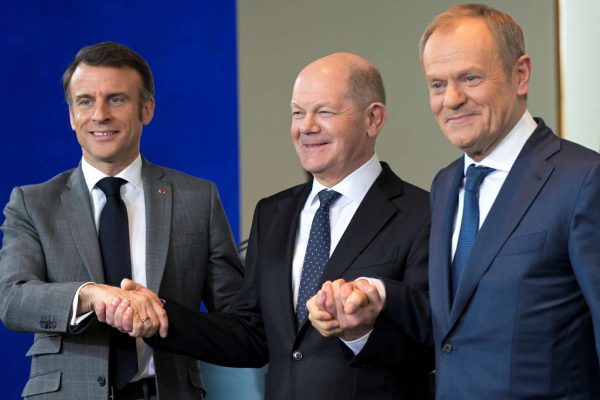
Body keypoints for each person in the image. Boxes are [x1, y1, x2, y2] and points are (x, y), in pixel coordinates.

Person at [310, 3, 600, 399]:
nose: (452, 99)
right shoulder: (446, 185)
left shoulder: (583, 180)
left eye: (470, 78)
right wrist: (373, 306)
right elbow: (453, 330)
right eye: (437, 84)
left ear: (520, 75)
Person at [109, 52, 432, 399]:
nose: (306, 127)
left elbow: (432, 342)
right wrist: (160, 315)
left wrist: (359, 333)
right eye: (297, 113)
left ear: (373, 118)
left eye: (325, 112)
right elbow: (252, 335)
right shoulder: (274, 213)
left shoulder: (423, 213)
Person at [0, 41, 244, 400]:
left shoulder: (198, 198)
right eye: (85, 101)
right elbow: (12, 299)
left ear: (147, 109)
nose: (100, 115)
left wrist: (163, 316)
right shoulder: (33, 203)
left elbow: (238, 322)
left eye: (116, 99)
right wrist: (89, 295)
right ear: (71, 115)